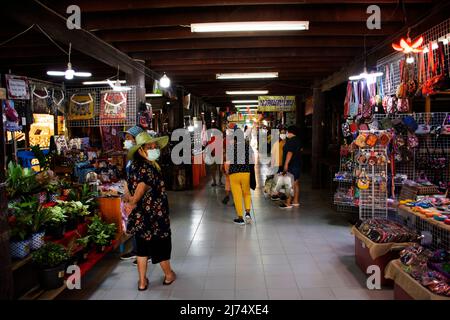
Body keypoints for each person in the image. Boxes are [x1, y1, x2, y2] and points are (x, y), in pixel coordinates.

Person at [123, 132, 176, 291]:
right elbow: (141, 186)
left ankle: (142, 282)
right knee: (160, 246)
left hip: (140, 217)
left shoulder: (133, 165)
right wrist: (132, 201)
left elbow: (126, 184)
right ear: (140, 149)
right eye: (149, 146)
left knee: (142, 249)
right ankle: (168, 275)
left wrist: (128, 202)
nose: (154, 149)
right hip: (154, 216)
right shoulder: (147, 167)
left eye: (155, 146)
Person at [119, 126, 145, 264]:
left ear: (137, 140)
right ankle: (137, 251)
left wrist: (134, 198)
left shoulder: (140, 157)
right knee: (135, 224)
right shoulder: (130, 156)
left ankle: (145, 253)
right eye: (126, 138)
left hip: (139, 197)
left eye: (129, 138)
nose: (126, 140)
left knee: (142, 225)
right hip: (132, 196)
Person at [225, 129, 254, 225]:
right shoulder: (248, 147)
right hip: (246, 172)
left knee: (237, 195)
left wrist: (227, 172)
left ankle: (240, 218)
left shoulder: (231, 148)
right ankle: (248, 213)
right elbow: (252, 160)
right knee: (247, 193)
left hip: (234, 173)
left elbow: (227, 163)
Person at [279, 126, 302, 209]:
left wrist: (286, 164)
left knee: (289, 184)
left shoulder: (291, 141)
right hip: (297, 164)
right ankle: (295, 201)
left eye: (286, 132)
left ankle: (288, 203)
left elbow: (290, 153)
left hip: (291, 165)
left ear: (289, 132)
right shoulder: (297, 140)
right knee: (296, 183)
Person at [270, 128, 287, 200]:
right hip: (278, 164)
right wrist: (272, 165)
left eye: (284, 133)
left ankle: (281, 194)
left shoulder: (287, 143)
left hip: (285, 164)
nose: (282, 134)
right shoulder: (276, 144)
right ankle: (277, 194)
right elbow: (273, 155)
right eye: (281, 133)